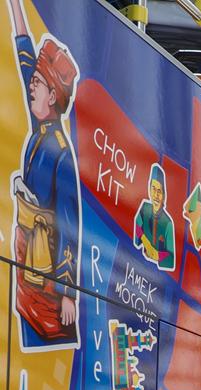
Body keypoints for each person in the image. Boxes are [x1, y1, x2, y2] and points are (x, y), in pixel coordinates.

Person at [9, 0, 79, 346]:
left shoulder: (62, 155)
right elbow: (24, 59)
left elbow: (69, 227)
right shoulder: (41, 127)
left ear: (52, 95)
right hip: (25, 256)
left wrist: (68, 292)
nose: (30, 85)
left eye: (37, 82)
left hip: (45, 272)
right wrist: (16, 8)